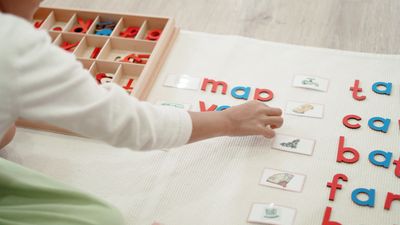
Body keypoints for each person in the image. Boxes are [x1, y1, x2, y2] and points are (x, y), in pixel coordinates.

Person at [0, 0, 284, 224]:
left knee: (8, 132)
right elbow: (129, 124)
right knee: (102, 219)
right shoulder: (13, 43)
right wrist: (227, 121)